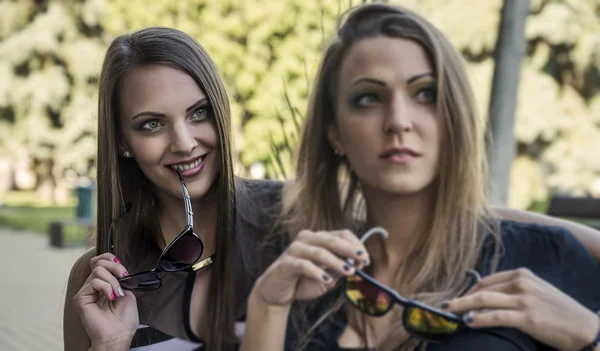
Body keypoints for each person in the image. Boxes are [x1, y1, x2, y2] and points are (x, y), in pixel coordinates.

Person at [241, 3, 600, 351]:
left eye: (425, 93)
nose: (399, 120)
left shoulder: (541, 259)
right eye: (369, 98)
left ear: (454, 117)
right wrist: (266, 307)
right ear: (334, 133)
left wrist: (590, 336)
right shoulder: (306, 284)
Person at [63, 27, 284, 351]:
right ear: (123, 141)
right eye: (152, 124)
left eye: (199, 112)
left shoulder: (289, 226)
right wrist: (110, 345)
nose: (184, 143)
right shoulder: (97, 281)